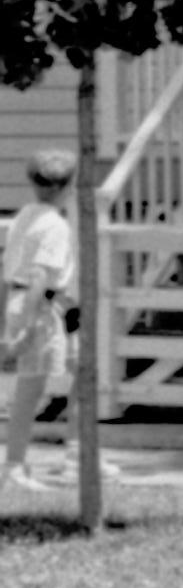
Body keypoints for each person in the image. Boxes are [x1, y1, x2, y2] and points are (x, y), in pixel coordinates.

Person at [2, 149, 80, 493]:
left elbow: (11, 273)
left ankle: (75, 453)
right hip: (38, 307)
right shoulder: (55, 226)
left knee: (71, 370)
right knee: (32, 389)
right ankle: (15, 465)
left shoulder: (24, 217)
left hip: (23, 302)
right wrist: (26, 327)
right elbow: (38, 277)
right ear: (68, 187)